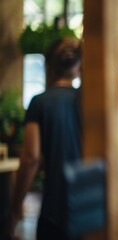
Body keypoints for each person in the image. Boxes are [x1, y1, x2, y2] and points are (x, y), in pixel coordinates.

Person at [5, 37, 83, 240]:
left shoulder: (40, 103)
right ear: (77, 68)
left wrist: (14, 209)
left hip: (54, 208)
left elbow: (31, 157)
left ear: (48, 66)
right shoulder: (86, 100)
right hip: (86, 205)